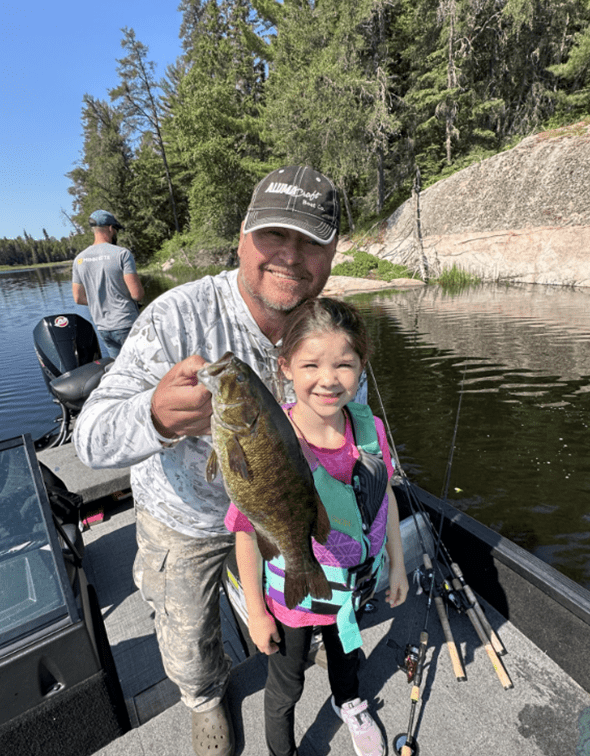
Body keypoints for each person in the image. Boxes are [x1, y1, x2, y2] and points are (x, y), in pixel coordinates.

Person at [73, 166, 353, 756]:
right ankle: (203, 700)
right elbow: (92, 439)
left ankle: (305, 628)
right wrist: (153, 415)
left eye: (311, 241)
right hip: (188, 518)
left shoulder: (327, 327)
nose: (290, 256)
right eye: (274, 235)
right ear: (243, 235)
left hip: (282, 509)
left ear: (332, 253)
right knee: (188, 638)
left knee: (309, 582)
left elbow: (351, 417)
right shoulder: (177, 316)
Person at [225, 298, 409, 756]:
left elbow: (383, 492)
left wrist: (399, 566)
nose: (328, 379)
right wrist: (256, 610)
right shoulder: (265, 439)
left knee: (347, 656)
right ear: (285, 367)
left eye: (344, 364)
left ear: (362, 366)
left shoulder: (370, 432)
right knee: (286, 682)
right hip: (292, 596)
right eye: (311, 364)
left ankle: (350, 702)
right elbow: (246, 530)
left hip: (351, 588)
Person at [72, 209, 144, 358]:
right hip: (126, 324)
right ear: (110, 228)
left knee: (120, 371)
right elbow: (137, 295)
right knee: (142, 370)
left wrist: (101, 300)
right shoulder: (122, 254)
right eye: (115, 230)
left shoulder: (79, 259)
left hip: (103, 327)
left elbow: (78, 298)